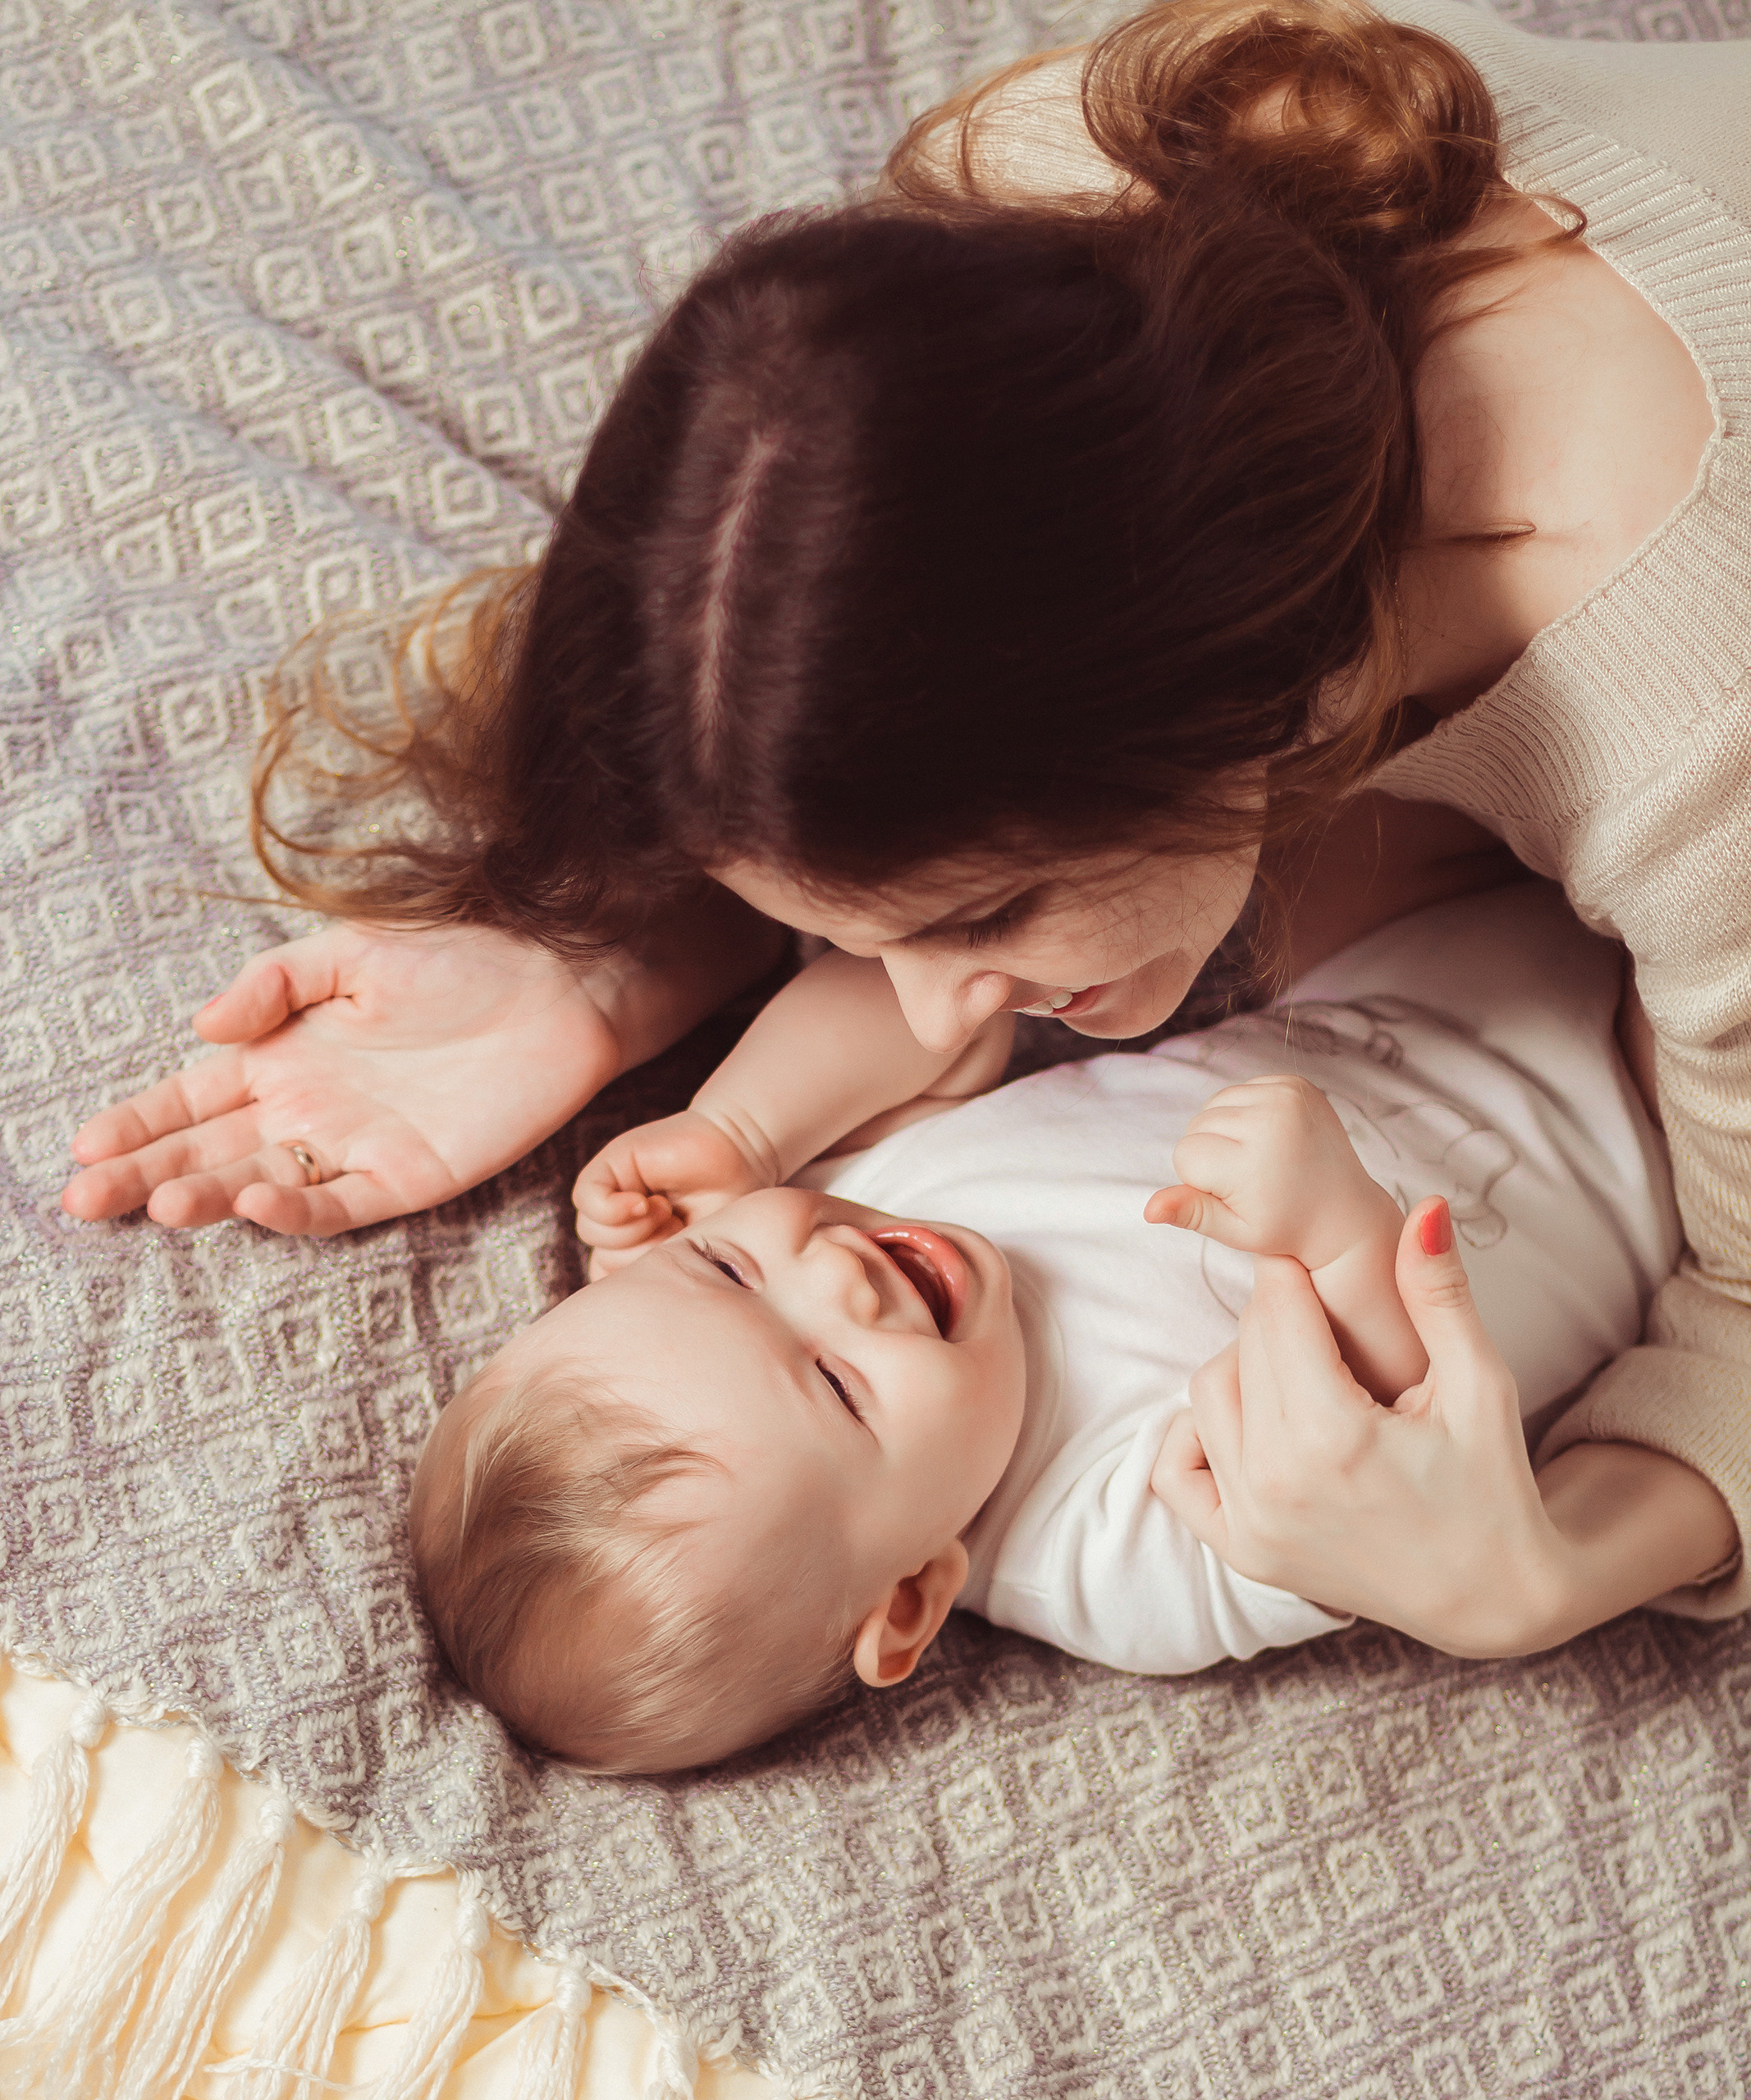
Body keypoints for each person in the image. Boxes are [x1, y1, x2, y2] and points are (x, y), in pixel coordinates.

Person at [67, 0, 1751, 1650]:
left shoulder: (1703, 738)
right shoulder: (1039, 226)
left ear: (1202, 706)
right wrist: (611, 952)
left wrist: (1547, 1573)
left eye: (980, 912)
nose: (935, 1008)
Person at [410, 885, 1685, 1772]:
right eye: (840, 1388)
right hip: (1659, 1161)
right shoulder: (1110, 1552)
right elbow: (1390, 1466)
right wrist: (1343, 1240)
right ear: (908, 1596)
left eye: (730, 1270)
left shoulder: (876, 1204)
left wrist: (743, 1133)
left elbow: (931, 1023)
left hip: (1445, 947)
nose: (836, 1279)